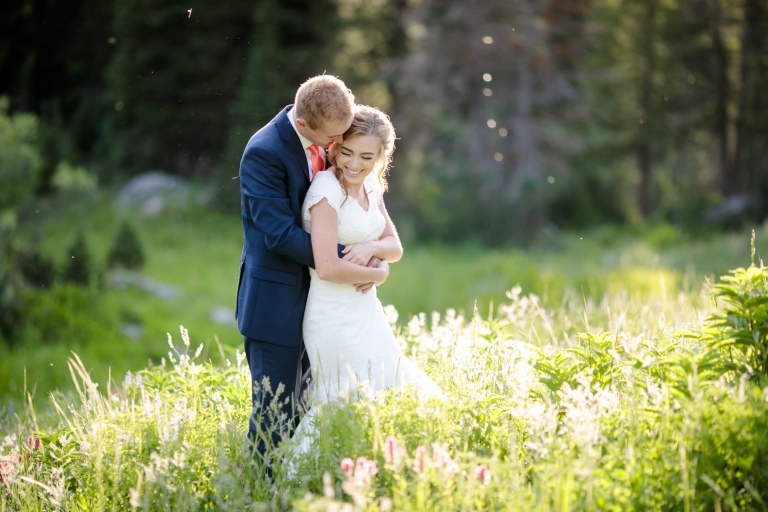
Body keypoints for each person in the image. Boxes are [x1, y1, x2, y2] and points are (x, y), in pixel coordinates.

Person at [235, 76, 386, 463]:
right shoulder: (264, 152)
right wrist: (350, 258)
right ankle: (258, 497)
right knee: (274, 414)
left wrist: (368, 246)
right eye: (332, 139)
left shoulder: (326, 138)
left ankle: (298, 490)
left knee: (308, 410)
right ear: (304, 126)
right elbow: (280, 235)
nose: (337, 147)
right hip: (276, 304)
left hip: (322, 308)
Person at [292, 105, 443, 452]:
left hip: (366, 313)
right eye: (346, 152)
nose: (354, 164)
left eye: (365, 156)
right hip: (332, 314)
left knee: (384, 386)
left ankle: (369, 463)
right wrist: (378, 272)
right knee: (341, 396)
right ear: (334, 147)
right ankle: (299, 480)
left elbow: (395, 246)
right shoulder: (326, 190)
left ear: (380, 157)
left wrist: (374, 247)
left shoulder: (372, 186)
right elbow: (328, 267)